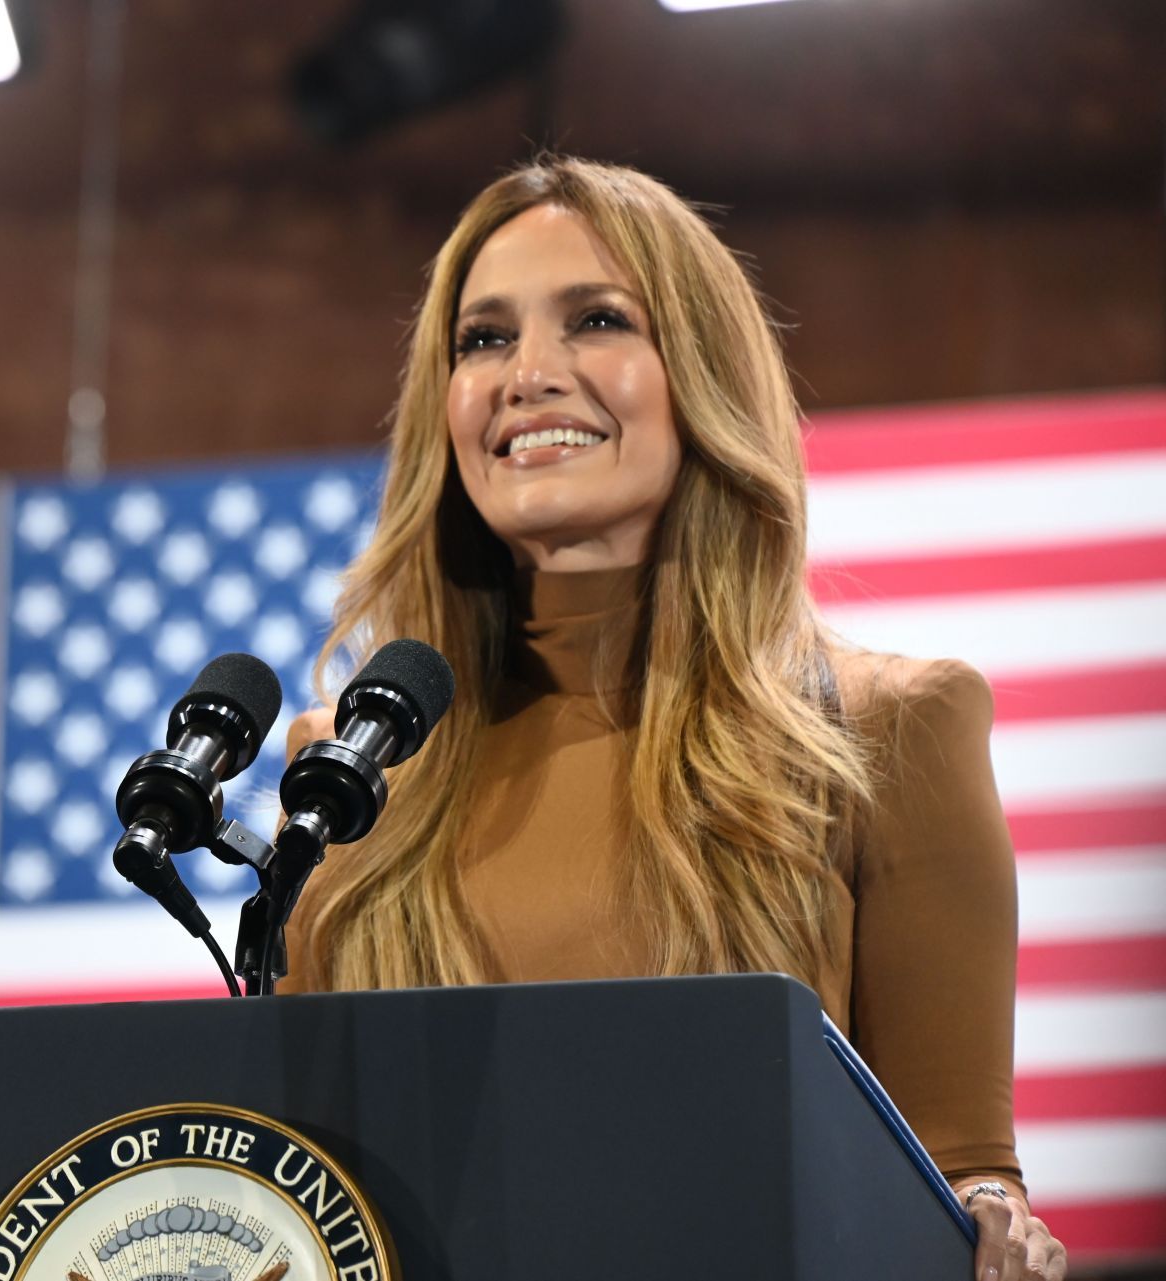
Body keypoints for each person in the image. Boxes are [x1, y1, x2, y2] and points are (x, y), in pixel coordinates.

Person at [277, 155, 1065, 1281]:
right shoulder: (351, 780)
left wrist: (991, 1218)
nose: (529, 374)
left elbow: (960, 1182)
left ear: (703, 373)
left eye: (596, 320)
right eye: (483, 339)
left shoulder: (895, 729)